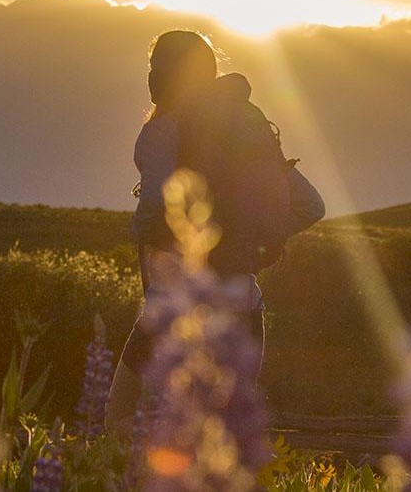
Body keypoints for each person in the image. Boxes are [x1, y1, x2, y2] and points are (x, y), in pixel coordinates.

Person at [106, 30, 325, 435]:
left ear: (164, 77)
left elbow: (154, 208)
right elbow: (312, 206)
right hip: (244, 308)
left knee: (118, 422)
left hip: (174, 312)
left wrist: (179, 239)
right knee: (223, 442)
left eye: (155, 68)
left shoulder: (162, 132)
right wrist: (248, 243)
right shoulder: (246, 133)